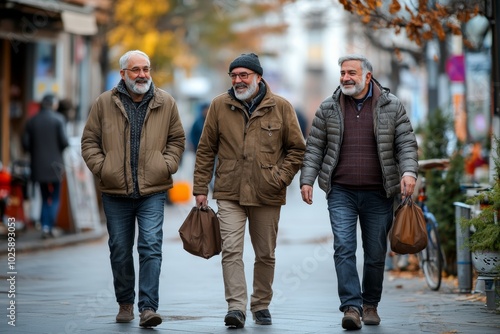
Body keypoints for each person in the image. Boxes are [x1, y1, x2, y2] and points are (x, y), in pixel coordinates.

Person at [300, 54, 418, 330]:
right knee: (344, 247)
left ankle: (370, 305)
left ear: (368, 76)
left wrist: (409, 172)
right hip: (341, 191)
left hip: (380, 192)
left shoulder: (392, 106)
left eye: (351, 73)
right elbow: (315, 147)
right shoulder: (329, 107)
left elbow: (406, 144)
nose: (345, 78)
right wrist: (307, 179)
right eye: (342, 73)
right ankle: (351, 306)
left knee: (376, 252)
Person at [193, 53, 305, 328]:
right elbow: (206, 149)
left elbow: (297, 149)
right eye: (234, 75)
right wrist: (200, 187)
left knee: (265, 252)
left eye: (244, 75)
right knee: (231, 249)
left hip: (267, 191)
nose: (238, 80)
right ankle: (236, 306)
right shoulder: (219, 105)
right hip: (229, 191)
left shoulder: (281, 107)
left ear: (258, 77)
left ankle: (261, 304)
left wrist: (280, 177)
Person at [81, 50, 185, 328]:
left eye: (146, 69)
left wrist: (167, 165)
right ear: (123, 74)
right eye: (136, 69)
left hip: (153, 189)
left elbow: (177, 140)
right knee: (119, 249)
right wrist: (104, 168)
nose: (142, 75)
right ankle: (125, 302)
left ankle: (148, 307)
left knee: (150, 246)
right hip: (115, 192)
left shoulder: (166, 102)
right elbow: (89, 141)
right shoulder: (104, 103)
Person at [22, 94, 69, 239]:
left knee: (44, 196)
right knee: (55, 197)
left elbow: (25, 144)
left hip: (37, 165)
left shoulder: (32, 121)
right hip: (55, 165)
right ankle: (49, 226)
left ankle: (44, 227)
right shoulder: (59, 119)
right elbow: (65, 142)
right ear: (53, 105)